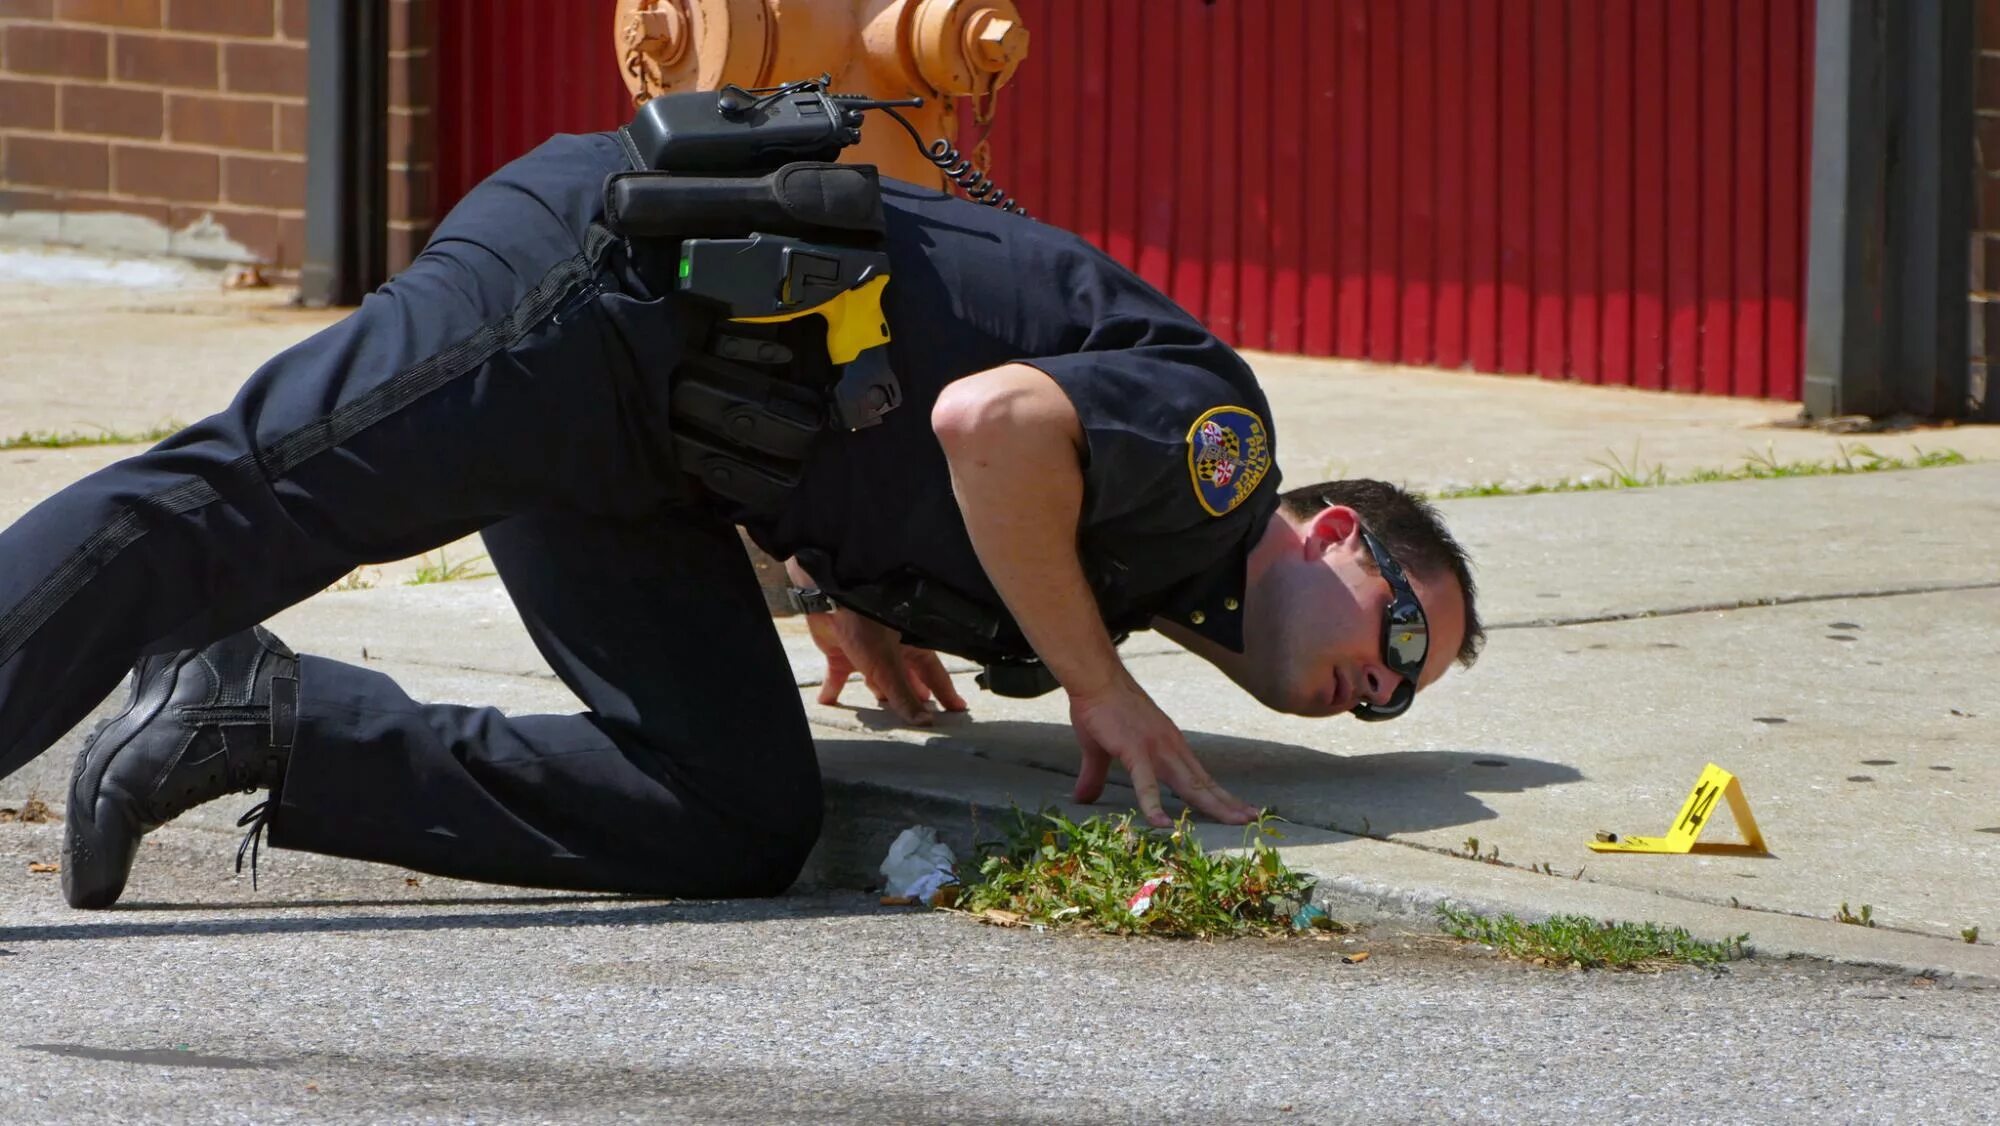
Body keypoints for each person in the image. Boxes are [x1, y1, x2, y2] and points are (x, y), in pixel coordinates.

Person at [0, 127, 1483, 911]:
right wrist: (1100, 684)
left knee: (738, 811)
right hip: (591, 294)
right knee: (244, 498)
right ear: (1337, 530)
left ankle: (258, 718)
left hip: (650, 455)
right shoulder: (1222, 453)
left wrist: (831, 573)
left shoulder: (1136, 570)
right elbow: (994, 426)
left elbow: (910, 416)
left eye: (1398, 697)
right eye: (1403, 624)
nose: (1389, 680)